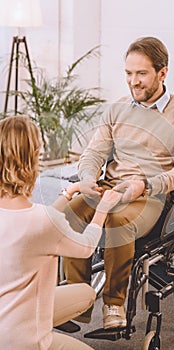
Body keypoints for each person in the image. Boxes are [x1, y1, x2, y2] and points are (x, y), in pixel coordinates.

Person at [63, 36, 174, 330]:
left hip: (151, 196)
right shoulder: (116, 109)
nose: (133, 81)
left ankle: (114, 305)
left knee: (118, 221)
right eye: (128, 73)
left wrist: (145, 185)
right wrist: (88, 178)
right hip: (108, 188)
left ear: (162, 73)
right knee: (68, 214)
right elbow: (93, 154)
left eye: (142, 74)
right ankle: (75, 301)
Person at [0, 115, 122, 350]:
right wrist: (103, 209)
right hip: (21, 341)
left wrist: (70, 192)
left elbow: (41, 225)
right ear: (31, 160)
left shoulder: (38, 219)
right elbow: (86, 247)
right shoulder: (43, 222)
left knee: (86, 293)